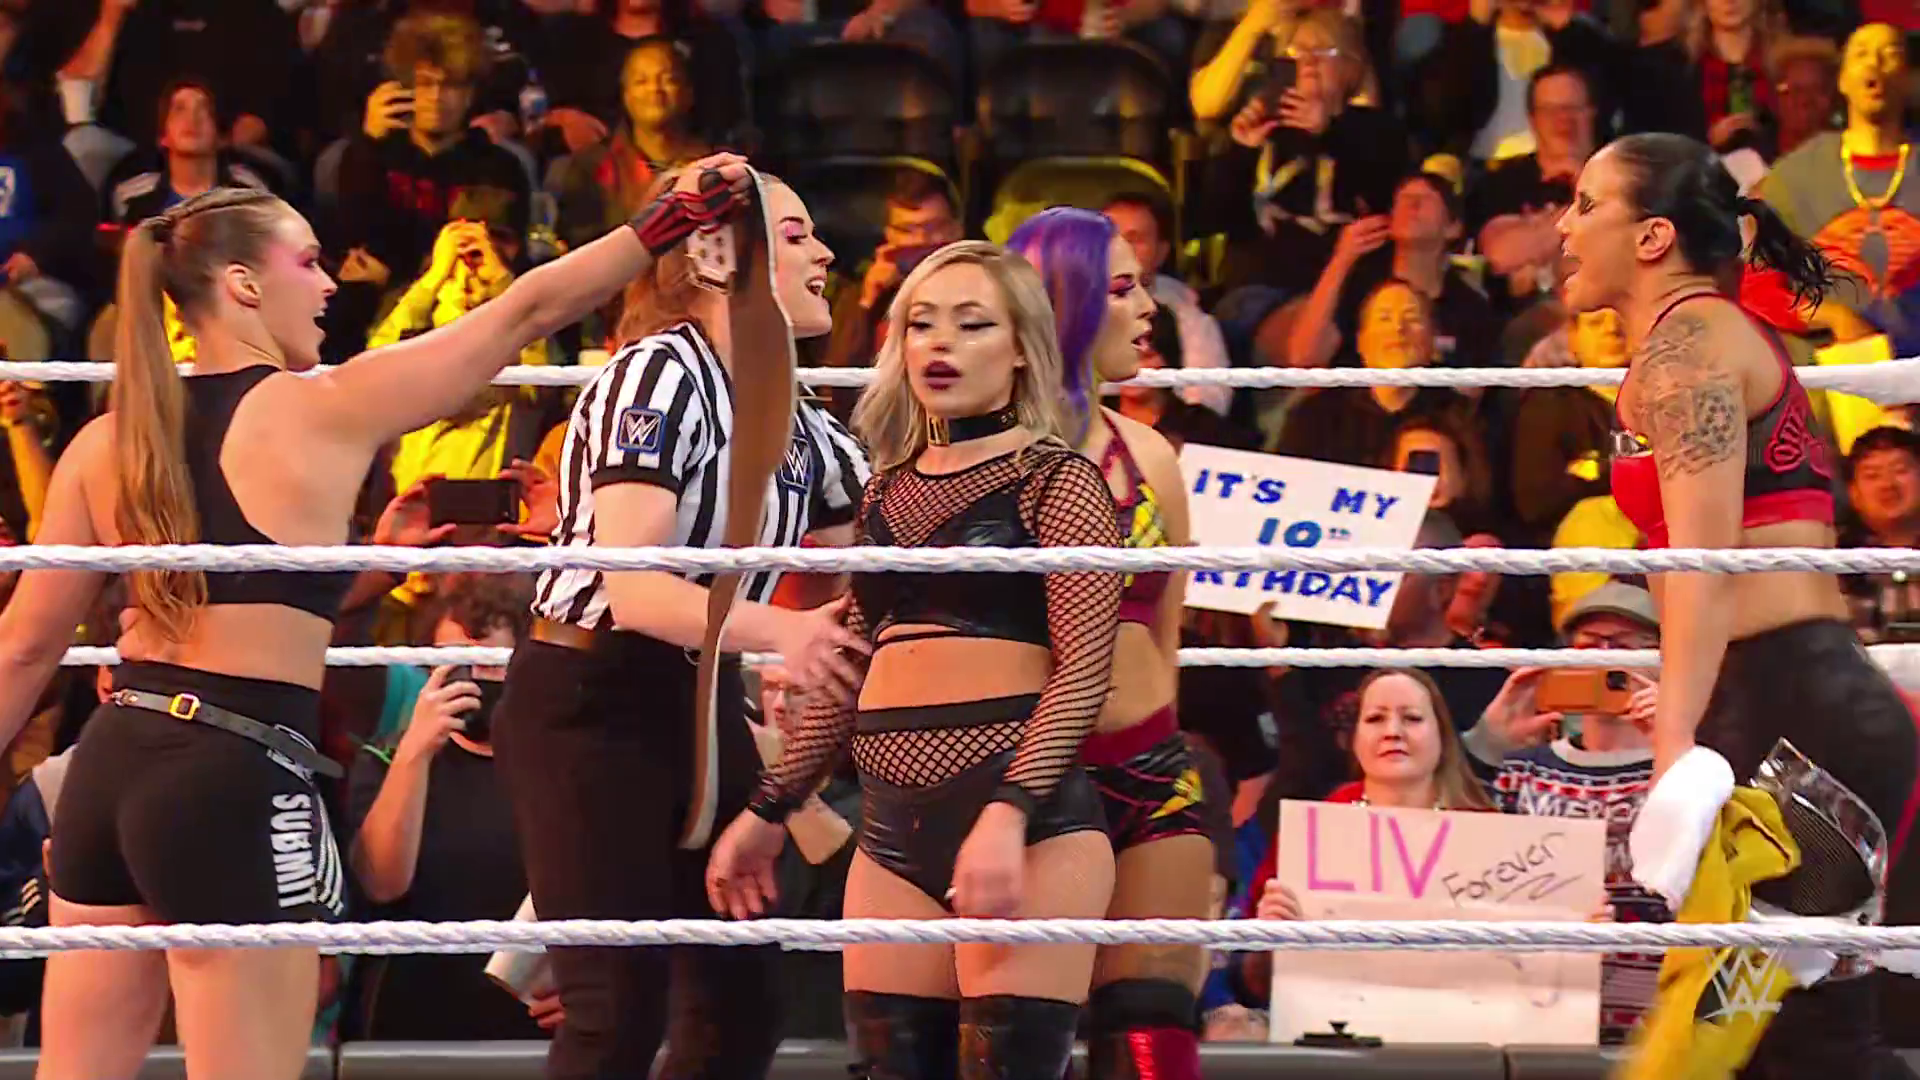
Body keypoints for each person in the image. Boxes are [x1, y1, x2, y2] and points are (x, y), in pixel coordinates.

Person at [0, 154, 756, 1080]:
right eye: (308, 262)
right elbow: (521, 314)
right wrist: (659, 226)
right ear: (243, 284)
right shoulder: (321, 409)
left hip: (110, 767)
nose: (328, 286)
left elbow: (24, 648)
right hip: (227, 773)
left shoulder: (102, 441)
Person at [706, 240, 1124, 1080]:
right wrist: (768, 807)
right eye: (922, 324)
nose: (941, 344)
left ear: (1021, 347)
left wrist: (1007, 814)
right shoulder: (886, 489)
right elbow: (850, 667)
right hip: (892, 831)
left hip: (1030, 822)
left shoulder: (1061, 481)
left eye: (972, 325)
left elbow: (1084, 672)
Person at [489, 169, 872, 1080]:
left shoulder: (800, 417)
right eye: (796, 234)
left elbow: (875, 554)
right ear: (715, 254)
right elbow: (634, 589)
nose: (825, 254)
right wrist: (786, 635)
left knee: (741, 1007)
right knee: (614, 1012)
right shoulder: (659, 372)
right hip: (590, 697)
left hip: (694, 702)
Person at [1556, 130, 1920, 1076]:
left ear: (1652, 237)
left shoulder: (1690, 347)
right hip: (1783, 702)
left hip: (1794, 713)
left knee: (1787, 1034)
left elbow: (1703, 560)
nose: (1563, 227)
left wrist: (1674, 748)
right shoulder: (1689, 343)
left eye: (1588, 204)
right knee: (1757, 1031)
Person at [1005, 207, 1211, 1080]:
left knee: (1152, 1031)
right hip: (1022, 785)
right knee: (1018, 1041)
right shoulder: (974, 458)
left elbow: (1166, 635)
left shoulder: (1151, 456)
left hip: (1151, 772)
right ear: (1067, 302)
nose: (1147, 308)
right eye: (1123, 289)